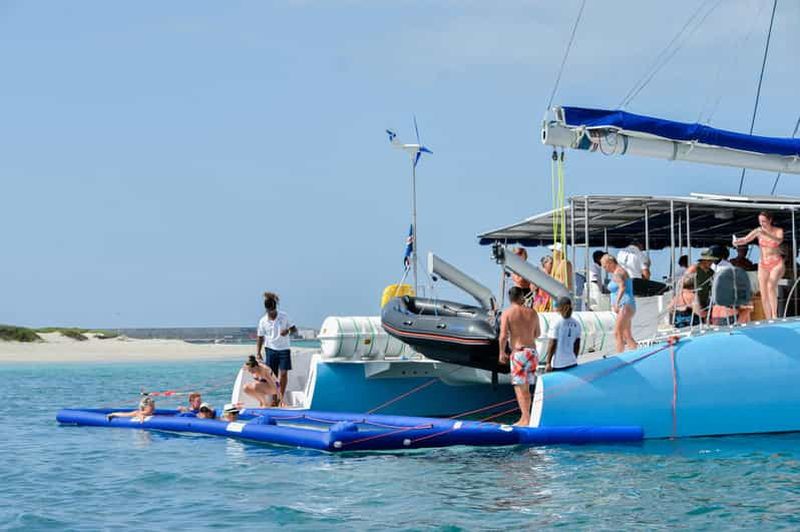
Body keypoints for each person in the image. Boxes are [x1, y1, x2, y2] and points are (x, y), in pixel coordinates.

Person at [498, 286, 541, 426]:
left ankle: (525, 419)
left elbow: (503, 335)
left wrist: (501, 352)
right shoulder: (532, 313)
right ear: (521, 296)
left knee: (519, 387)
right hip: (532, 352)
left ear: (510, 298)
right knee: (527, 388)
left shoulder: (508, 313)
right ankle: (526, 417)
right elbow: (537, 334)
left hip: (519, 352)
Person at [734, 212, 784, 319]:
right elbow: (746, 239)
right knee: (763, 292)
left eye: (764, 221)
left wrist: (766, 234)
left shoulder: (778, 231)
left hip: (775, 262)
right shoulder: (758, 231)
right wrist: (737, 241)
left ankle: (775, 315)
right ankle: (768, 317)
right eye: (760, 221)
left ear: (770, 220)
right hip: (763, 264)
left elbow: (778, 241)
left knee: (771, 286)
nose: (762, 224)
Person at [256, 292, 297, 406]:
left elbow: (294, 329)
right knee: (272, 376)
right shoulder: (263, 321)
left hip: (284, 349)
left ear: (275, 307)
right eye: (270, 310)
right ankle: (274, 398)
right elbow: (260, 337)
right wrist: (258, 353)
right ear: (267, 309)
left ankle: (281, 398)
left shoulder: (284, 316)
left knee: (283, 374)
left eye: (274, 309)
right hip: (270, 350)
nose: (272, 312)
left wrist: (287, 331)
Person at [601, 254, 637, 352]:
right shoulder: (619, 272)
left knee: (617, 333)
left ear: (610, 263)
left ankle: (619, 357)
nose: (605, 269)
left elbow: (622, 287)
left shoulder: (618, 273)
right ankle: (636, 352)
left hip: (624, 305)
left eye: (605, 266)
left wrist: (616, 303)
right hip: (627, 305)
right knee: (627, 335)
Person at [545, 296, 581, 372]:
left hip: (559, 364)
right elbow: (577, 345)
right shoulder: (577, 323)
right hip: (572, 362)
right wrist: (574, 358)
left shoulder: (556, 321)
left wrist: (548, 363)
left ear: (559, 308)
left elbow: (552, 343)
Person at [683, 249, 716, 320]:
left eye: (712, 260)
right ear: (703, 260)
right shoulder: (693, 269)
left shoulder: (711, 272)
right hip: (692, 303)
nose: (711, 262)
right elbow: (683, 284)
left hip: (705, 302)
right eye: (709, 260)